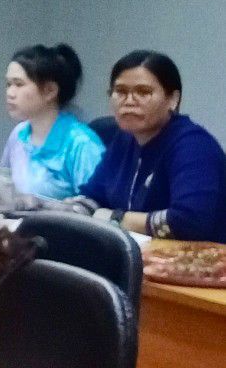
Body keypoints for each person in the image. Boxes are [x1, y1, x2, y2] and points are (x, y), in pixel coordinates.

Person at [81, 50, 226, 240]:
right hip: (135, 255)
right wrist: (66, 209)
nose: (129, 101)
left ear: (173, 99)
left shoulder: (194, 146)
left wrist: (116, 218)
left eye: (143, 92)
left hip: (198, 262)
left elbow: (189, 221)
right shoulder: (124, 138)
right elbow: (94, 196)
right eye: (120, 92)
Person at [0, 43, 105, 202]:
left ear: (50, 91)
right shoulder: (18, 134)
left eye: (19, 84)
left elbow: (96, 210)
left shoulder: (82, 144)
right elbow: (4, 187)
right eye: (8, 84)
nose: (10, 93)